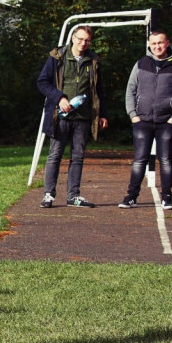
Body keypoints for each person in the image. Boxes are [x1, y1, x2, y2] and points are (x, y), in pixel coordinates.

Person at [37, 26, 108, 208]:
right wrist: (59, 97)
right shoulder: (57, 57)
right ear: (72, 38)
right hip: (59, 116)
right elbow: (42, 82)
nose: (83, 43)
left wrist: (102, 114)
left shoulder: (93, 60)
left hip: (83, 118)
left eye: (87, 40)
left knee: (78, 156)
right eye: (80, 39)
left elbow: (99, 89)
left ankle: (73, 196)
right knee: (55, 155)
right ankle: (48, 195)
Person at [118, 31, 172, 209]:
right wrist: (132, 114)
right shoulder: (141, 64)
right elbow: (130, 90)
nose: (157, 46)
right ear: (149, 45)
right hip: (142, 121)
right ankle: (131, 196)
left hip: (166, 122)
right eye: (154, 43)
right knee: (139, 160)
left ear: (167, 43)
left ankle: (167, 197)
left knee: (165, 160)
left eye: (160, 43)